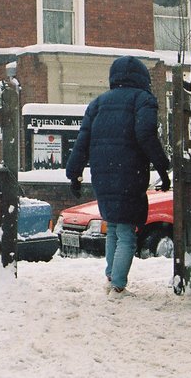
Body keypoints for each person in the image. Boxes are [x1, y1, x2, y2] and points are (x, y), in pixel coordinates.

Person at [65, 56, 171, 296]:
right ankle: (118, 285)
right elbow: (146, 135)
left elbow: (82, 142)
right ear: (142, 77)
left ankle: (112, 277)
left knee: (113, 225)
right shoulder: (143, 100)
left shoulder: (98, 103)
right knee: (125, 232)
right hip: (130, 171)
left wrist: (75, 174)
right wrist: (163, 168)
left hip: (102, 174)